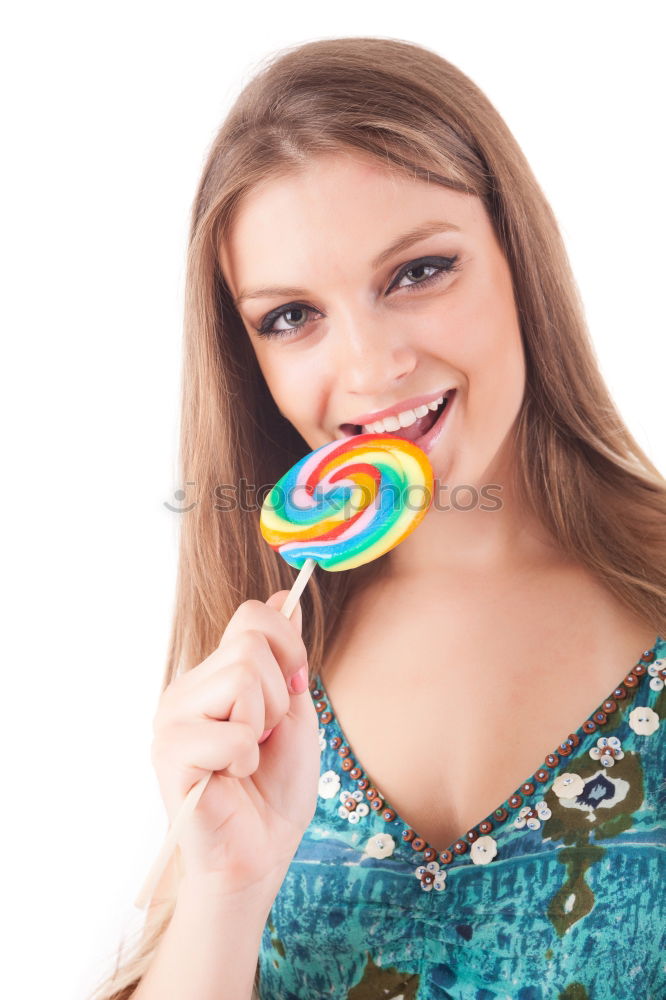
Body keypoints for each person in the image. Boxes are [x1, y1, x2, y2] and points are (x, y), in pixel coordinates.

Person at [89, 36, 666, 1000]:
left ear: (517, 257)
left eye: (418, 271)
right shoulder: (263, 659)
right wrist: (225, 892)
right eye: (291, 317)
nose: (368, 365)